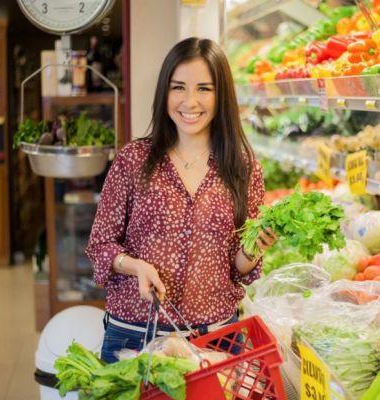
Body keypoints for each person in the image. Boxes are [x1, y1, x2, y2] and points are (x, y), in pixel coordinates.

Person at [86, 37, 276, 363]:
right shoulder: (134, 160)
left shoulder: (243, 167)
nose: (190, 101)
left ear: (221, 96)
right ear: (165, 93)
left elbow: (238, 268)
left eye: (204, 88)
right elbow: (100, 245)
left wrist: (253, 248)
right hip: (135, 335)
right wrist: (136, 266)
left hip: (215, 340)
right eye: (179, 88)